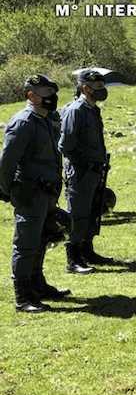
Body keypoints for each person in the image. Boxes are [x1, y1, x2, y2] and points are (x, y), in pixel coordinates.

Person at [0, 75, 70, 312]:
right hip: (29, 193)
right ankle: (23, 297)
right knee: (26, 244)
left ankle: (38, 285)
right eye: (45, 93)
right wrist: (8, 191)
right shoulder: (23, 122)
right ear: (31, 95)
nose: (51, 97)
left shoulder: (47, 119)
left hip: (47, 193)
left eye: (52, 92)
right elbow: (7, 162)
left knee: (42, 239)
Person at [59, 69, 116, 274]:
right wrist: (86, 164)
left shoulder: (93, 109)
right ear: (85, 88)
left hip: (94, 170)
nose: (102, 90)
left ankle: (87, 251)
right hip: (80, 172)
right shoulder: (76, 110)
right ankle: (73, 259)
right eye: (98, 87)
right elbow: (66, 145)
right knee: (78, 214)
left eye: (103, 86)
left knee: (93, 211)